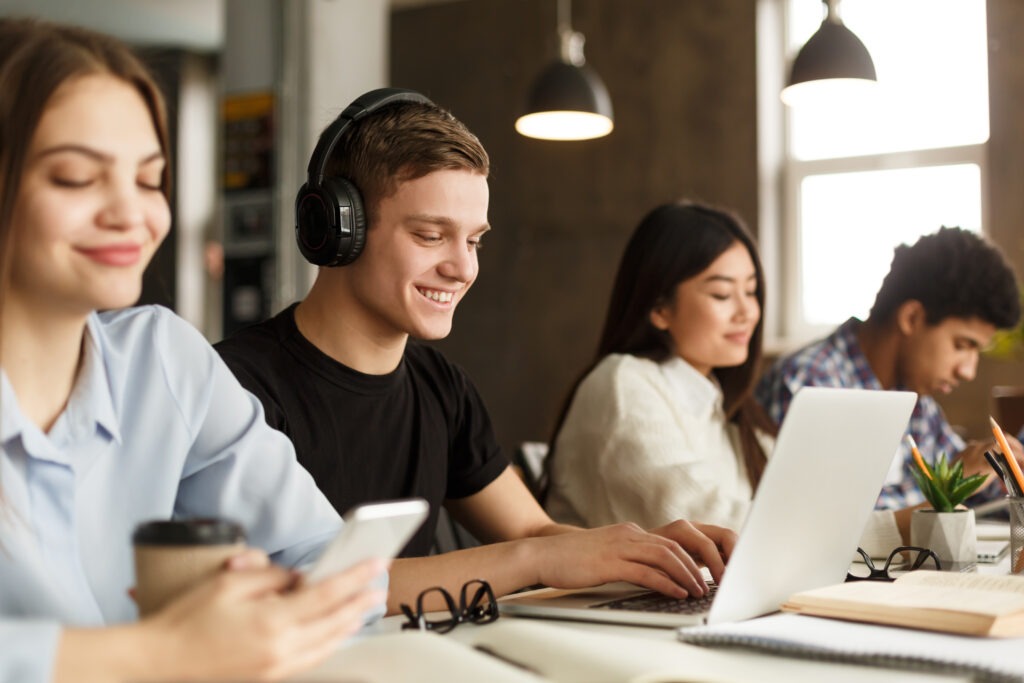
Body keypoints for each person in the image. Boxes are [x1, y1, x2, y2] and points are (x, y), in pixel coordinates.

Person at [215, 89, 736, 615]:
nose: (463, 268)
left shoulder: (441, 387)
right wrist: (532, 558)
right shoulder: (234, 388)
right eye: (430, 235)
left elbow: (533, 529)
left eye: (474, 241)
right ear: (338, 230)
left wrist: (640, 551)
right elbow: (310, 587)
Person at [0, 18, 385, 683]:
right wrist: (164, 651)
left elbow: (333, 558)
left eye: (150, 180)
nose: (132, 212)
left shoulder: (163, 359)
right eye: (74, 177)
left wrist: (266, 610)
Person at [757, 227, 1024, 527]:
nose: (968, 371)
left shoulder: (918, 402)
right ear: (911, 318)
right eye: (962, 345)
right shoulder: (808, 385)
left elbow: (983, 497)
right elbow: (824, 531)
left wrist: (1002, 477)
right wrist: (952, 485)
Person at [544, 201, 775, 532]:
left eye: (751, 291)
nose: (748, 311)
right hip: (603, 587)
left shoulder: (728, 407)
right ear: (660, 308)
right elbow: (705, 525)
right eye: (722, 294)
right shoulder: (623, 384)